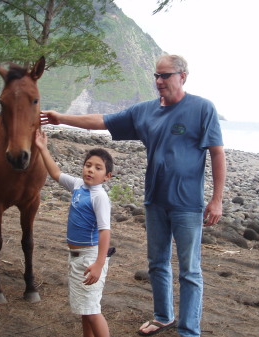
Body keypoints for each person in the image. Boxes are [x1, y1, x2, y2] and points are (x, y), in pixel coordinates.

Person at [40, 54, 226, 337]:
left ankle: (189, 330)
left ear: (182, 77)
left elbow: (216, 152)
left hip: (188, 204)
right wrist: (61, 118)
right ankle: (163, 316)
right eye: (156, 76)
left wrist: (217, 199)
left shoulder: (202, 109)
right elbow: (101, 121)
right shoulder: (145, 112)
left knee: (190, 270)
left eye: (166, 76)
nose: (159, 81)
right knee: (157, 263)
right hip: (154, 201)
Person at [35, 130, 114, 337]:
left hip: (90, 257)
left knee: (93, 311)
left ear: (107, 176)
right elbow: (55, 174)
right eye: (88, 165)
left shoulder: (99, 197)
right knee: (84, 309)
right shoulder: (79, 185)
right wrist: (43, 148)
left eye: (98, 168)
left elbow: (105, 231)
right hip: (77, 257)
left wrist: (98, 263)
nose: (90, 170)